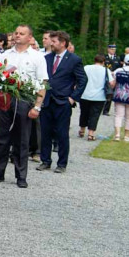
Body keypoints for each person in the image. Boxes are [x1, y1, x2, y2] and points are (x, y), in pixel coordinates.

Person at [0, 24, 47, 187]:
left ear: (29, 38)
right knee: (2, 137)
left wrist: (37, 106)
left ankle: (21, 175)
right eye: (16, 33)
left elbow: (42, 83)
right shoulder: (5, 54)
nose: (17, 35)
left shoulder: (37, 56)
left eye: (22, 33)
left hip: (25, 98)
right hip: (6, 97)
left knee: (22, 138)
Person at [37, 31, 86, 173]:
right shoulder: (46, 58)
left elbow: (82, 80)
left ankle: (62, 163)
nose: (51, 44)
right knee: (45, 132)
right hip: (47, 100)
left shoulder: (74, 59)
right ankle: (45, 160)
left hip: (63, 101)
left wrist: (72, 98)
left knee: (62, 133)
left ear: (63, 43)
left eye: (54, 41)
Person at [78, 55, 110, 141]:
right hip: (99, 96)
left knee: (84, 112)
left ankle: (82, 130)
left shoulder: (86, 68)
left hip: (84, 94)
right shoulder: (106, 70)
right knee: (94, 115)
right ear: (103, 62)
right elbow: (111, 82)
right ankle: (91, 134)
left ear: (94, 60)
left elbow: (80, 78)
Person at [102, 44, 122, 115]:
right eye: (112, 49)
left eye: (114, 49)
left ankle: (106, 110)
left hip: (114, 78)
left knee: (110, 94)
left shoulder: (117, 58)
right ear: (108, 49)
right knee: (103, 93)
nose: (113, 51)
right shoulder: (104, 57)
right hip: (105, 77)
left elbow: (120, 68)